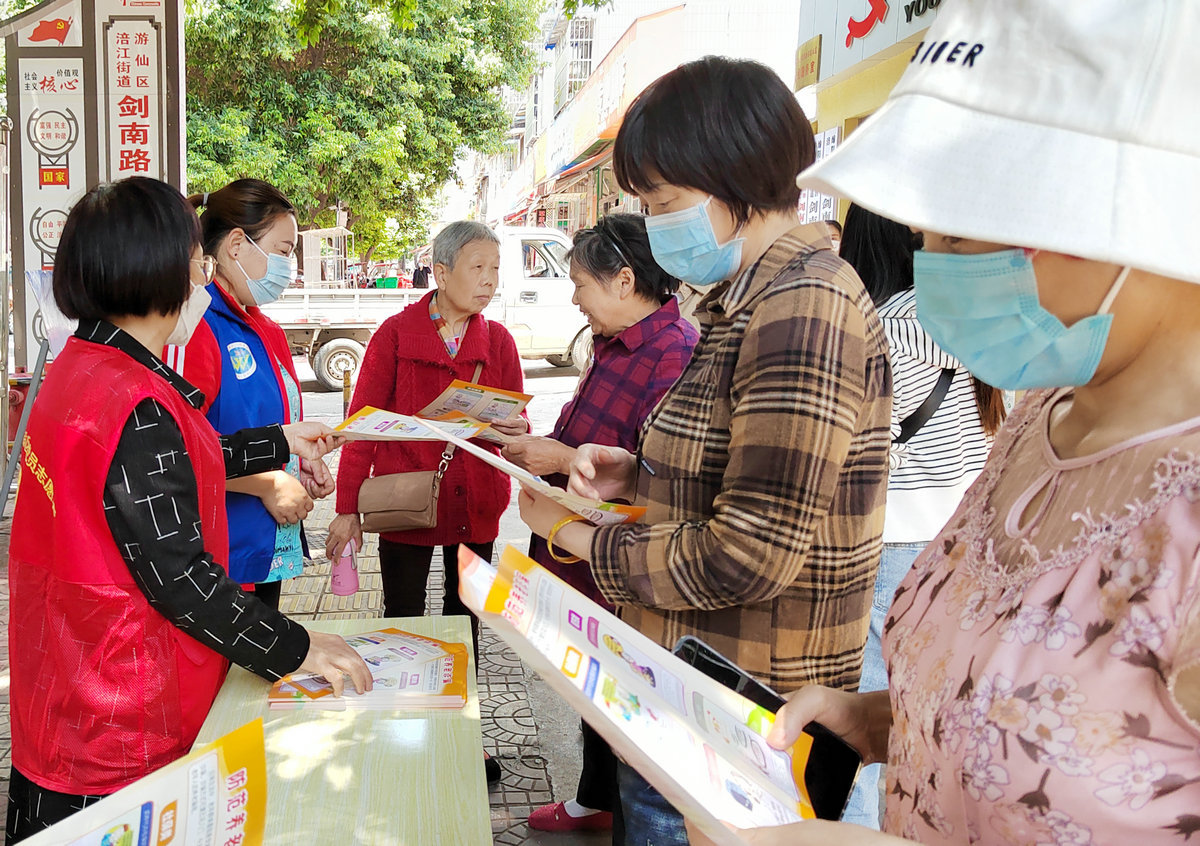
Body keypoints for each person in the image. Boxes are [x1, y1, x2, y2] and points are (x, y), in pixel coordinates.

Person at [686, 1, 1200, 844]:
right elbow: (1074, 732)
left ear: (1123, 219)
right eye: (929, 236)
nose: (936, 272)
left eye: (962, 236)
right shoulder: (1042, 421)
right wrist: (880, 718)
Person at [515, 56, 891, 845]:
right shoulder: (743, 301)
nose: (655, 225)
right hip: (691, 686)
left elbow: (750, 552)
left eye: (666, 203)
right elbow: (733, 465)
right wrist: (637, 471)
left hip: (745, 709)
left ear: (738, 181)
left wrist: (578, 533)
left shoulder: (803, 305)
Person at [5, 177, 372, 844]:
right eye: (192, 257)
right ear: (156, 267)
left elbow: (165, 462)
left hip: (62, 677)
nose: (199, 272)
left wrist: (277, 440)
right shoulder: (132, 398)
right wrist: (296, 647)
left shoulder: (79, 368)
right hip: (121, 709)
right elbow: (181, 578)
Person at [502, 213, 699, 835]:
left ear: (623, 280)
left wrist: (559, 460)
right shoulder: (612, 345)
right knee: (593, 685)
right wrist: (539, 446)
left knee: (622, 699)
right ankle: (594, 797)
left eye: (580, 283)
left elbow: (661, 472)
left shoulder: (675, 353)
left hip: (620, 559)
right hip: (576, 550)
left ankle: (615, 810)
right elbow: (583, 432)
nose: (573, 297)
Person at [325, 221, 528, 783]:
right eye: (477, 268)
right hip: (406, 504)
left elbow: (514, 421)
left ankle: (462, 730)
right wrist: (347, 507)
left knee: (466, 621)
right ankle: (402, 726)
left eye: (495, 269)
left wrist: (511, 425)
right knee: (403, 620)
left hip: (475, 505)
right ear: (441, 272)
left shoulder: (501, 342)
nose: (488, 281)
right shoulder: (395, 335)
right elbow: (363, 424)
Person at [836, 203, 1006, 827]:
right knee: (921, 713)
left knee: (859, 727)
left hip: (891, 540)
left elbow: (859, 449)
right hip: (959, 538)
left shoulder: (878, 329)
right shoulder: (966, 322)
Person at [166, 180, 331, 610]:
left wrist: (300, 469)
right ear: (237, 245)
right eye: (283, 250)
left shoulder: (266, 328)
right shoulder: (196, 327)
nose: (289, 266)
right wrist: (265, 484)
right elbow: (170, 456)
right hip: (219, 553)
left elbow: (270, 426)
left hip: (264, 545)